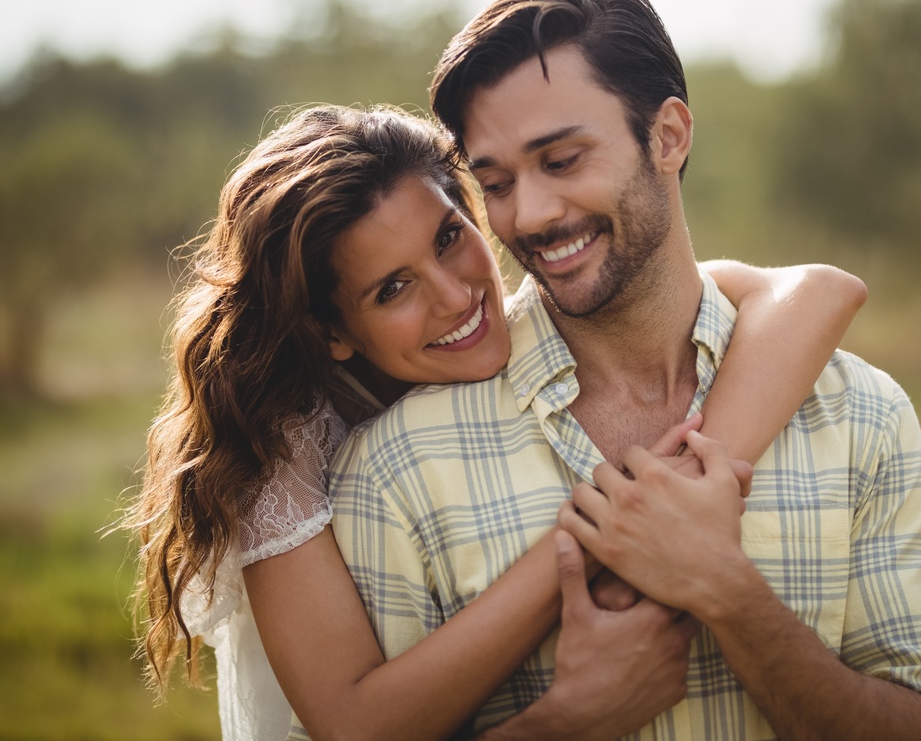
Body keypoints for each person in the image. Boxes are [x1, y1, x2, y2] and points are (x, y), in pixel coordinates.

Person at [327, 0, 921, 740]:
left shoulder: (859, 414)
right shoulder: (397, 468)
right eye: (497, 182)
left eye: (563, 160)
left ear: (669, 136)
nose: (530, 215)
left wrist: (729, 594)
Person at [126, 102, 867, 740]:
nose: (454, 296)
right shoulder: (282, 448)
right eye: (393, 289)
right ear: (331, 335)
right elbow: (356, 725)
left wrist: (673, 500)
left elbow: (819, 292)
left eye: (449, 236)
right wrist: (606, 551)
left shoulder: (551, 321)